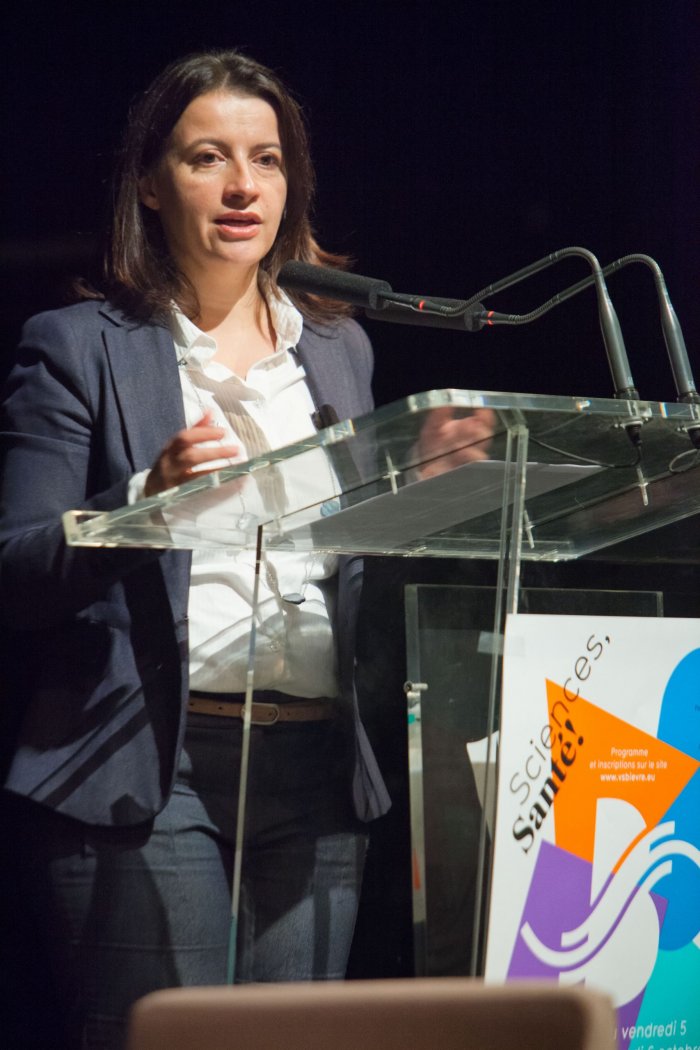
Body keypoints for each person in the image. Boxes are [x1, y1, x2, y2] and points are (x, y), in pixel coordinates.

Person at [0, 49, 392, 1050]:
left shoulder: (339, 348)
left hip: (316, 770)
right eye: (206, 158)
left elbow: (351, 560)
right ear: (149, 182)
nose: (241, 185)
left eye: (265, 160)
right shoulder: (77, 344)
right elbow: (18, 567)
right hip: (144, 770)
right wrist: (147, 500)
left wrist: (436, 488)